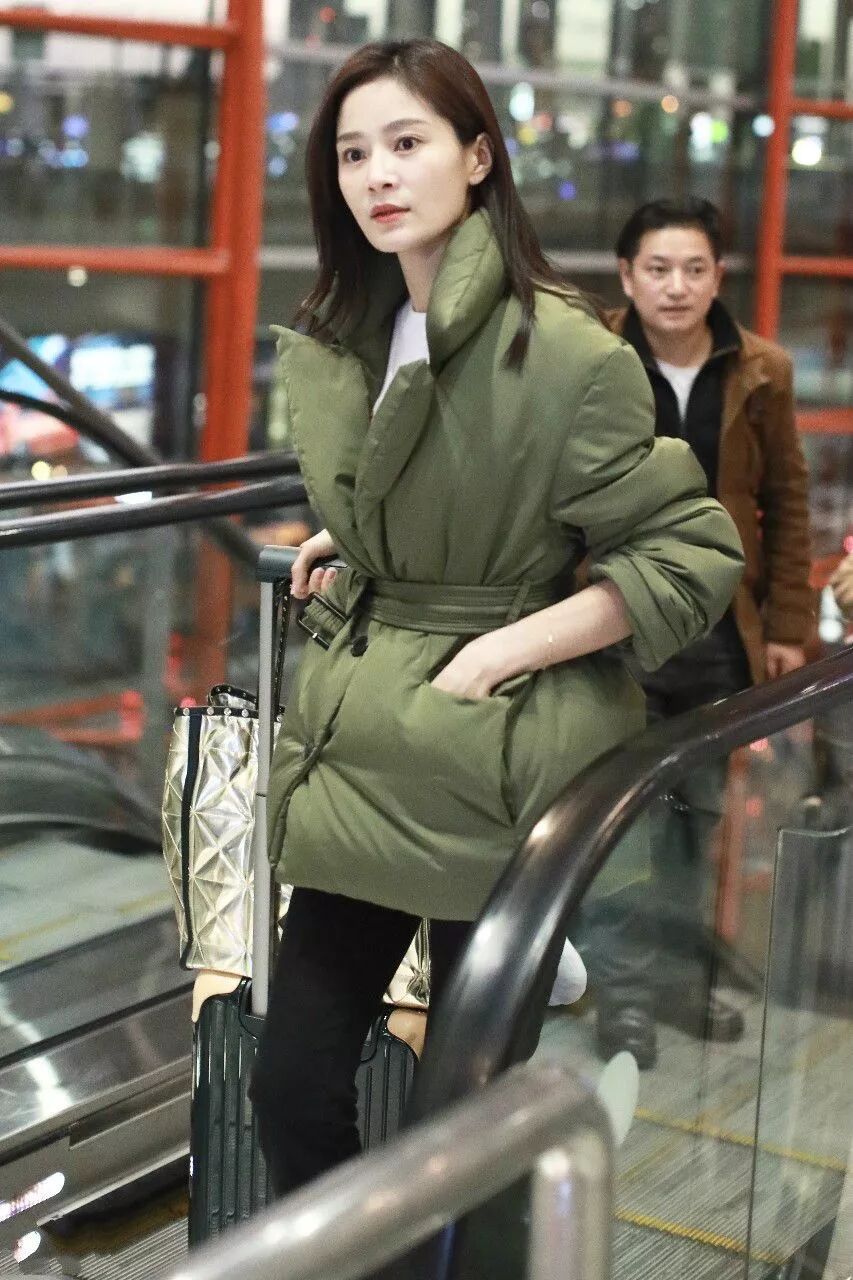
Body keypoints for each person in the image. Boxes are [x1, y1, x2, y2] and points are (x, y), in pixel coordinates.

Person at [248, 41, 744, 1200]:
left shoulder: (565, 351)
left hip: (499, 752)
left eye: (406, 143)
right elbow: (437, 482)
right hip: (370, 744)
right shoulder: (358, 327)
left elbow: (689, 552)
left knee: (460, 1116)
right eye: (352, 153)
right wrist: (361, 540)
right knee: (291, 1086)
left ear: (478, 157)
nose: (377, 174)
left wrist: (502, 649)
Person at [594, 197, 813, 1064]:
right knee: (621, 822)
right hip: (614, 625)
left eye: (693, 269)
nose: (675, 287)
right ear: (626, 277)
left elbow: (785, 501)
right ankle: (624, 998)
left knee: (698, 819)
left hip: (721, 632)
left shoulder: (760, 370)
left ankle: (679, 983)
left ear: (718, 277)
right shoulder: (592, 357)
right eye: (657, 269)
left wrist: (788, 624)